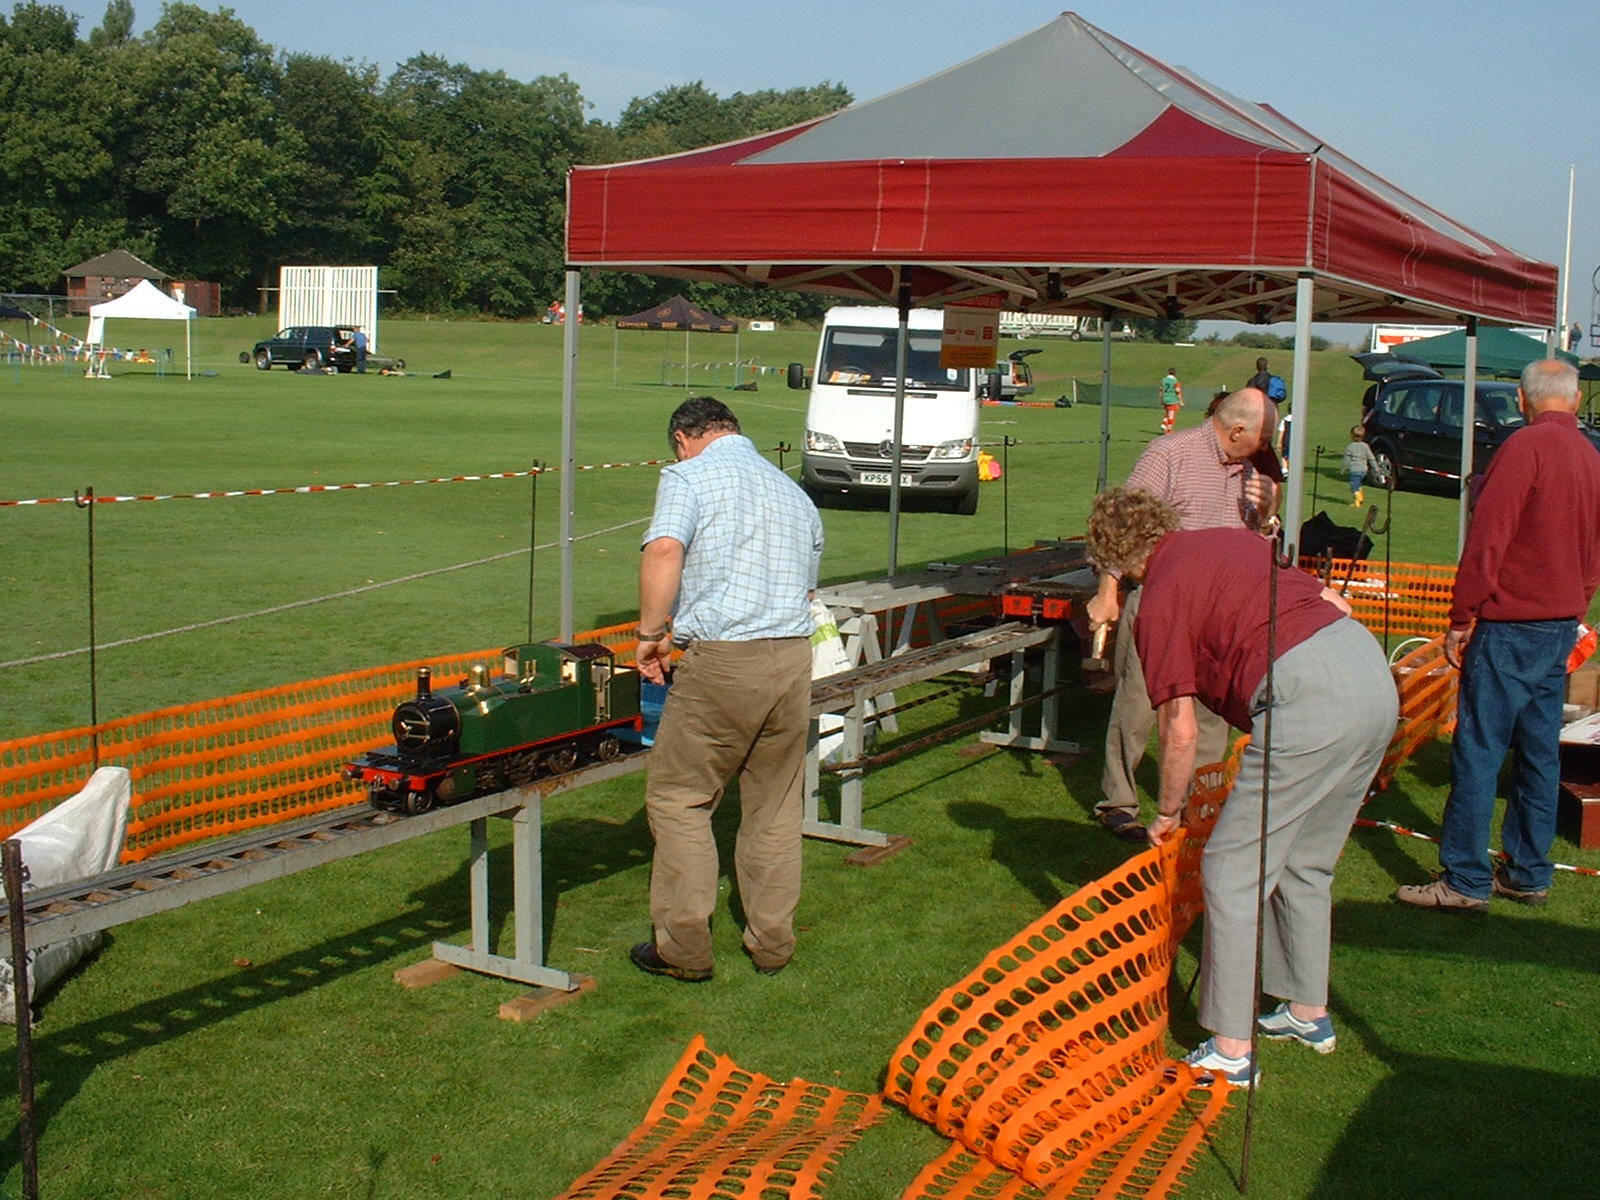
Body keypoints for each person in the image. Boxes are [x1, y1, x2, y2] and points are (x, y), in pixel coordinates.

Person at [1086, 488, 1396, 1086]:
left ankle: (1231, 1048)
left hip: (1305, 694)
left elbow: (1177, 731)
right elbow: (1332, 599)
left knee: (1231, 870)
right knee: (1306, 862)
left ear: (1117, 560)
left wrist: (1167, 814)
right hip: (1371, 674)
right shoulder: (1233, 539)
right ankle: (1307, 1011)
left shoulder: (1157, 601)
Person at [631, 396, 825, 980]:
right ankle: (772, 943)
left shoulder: (687, 475)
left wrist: (651, 634)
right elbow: (808, 588)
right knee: (773, 806)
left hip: (725, 660)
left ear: (684, 438)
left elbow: (665, 549)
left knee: (679, 798)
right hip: (792, 659)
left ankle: (683, 949)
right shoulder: (793, 491)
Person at [1396, 359, 1600, 913]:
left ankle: (1464, 878)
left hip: (1513, 625)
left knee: (1480, 750)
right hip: (1559, 623)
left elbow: (1489, 538)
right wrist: (1576, 603)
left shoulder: (1523, 449)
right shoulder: (1589, 454)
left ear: (1521, 397)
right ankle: (1528, 873)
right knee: (1538, 753)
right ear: (1576, 400)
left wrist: (1461, 617)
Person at [1087, 387, 1280, 842]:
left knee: (1212, 711)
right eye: (1265, 437)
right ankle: (1118, 801)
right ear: (1237, 430)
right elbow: (1124, 526)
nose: (1268, 448)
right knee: (1139, 701)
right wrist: (1108, 590)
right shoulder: (1169, 453)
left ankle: (1198, 801)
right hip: (1162, 598)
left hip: (1220, 611)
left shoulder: (1251, 473)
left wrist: (1270, 514)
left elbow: (1259, 548)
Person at [1342, 424, 1379, 507]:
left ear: (1352, 436)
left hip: (1355, 470)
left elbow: (1346, 459)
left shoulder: (1350, 447)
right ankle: (1361, 497)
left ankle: (1357, 501)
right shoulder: (1365, 446)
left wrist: (1344, 468)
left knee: (1354, 485)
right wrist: (1375, 467)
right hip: (1364, 470)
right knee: (1358, 484)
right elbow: (1371, 457)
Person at [1159, 367, 1183, 434]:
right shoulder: (1175, 382)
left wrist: (1161, 399)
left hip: (1165, 398)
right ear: (1175, 373)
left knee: (1168, 412)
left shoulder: (1163, 380)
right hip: (1172, 399)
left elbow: (1161, 390)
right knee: (1171, 414)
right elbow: (1178, 392)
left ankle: (1164, 424)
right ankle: (1169, 430)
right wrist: (1180, 401)